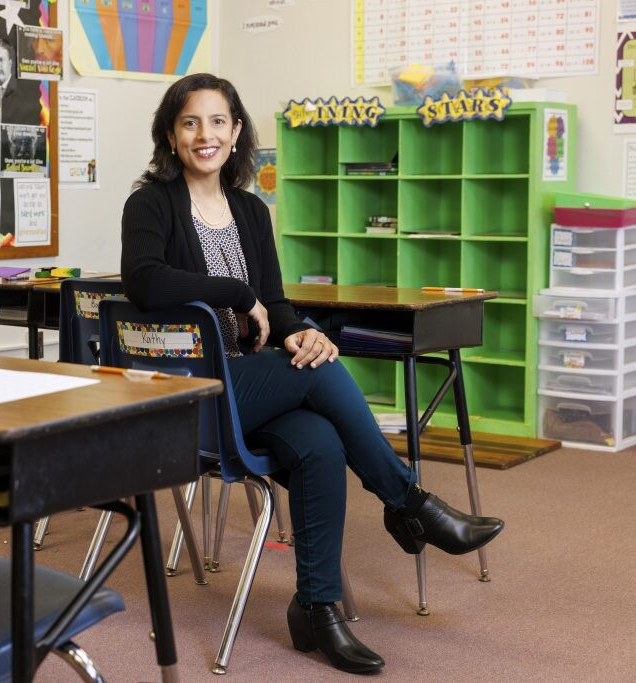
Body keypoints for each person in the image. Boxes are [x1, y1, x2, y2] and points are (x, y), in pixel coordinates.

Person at [120, 73, 505, 675]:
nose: (205, 134)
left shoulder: (249, 208)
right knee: (319, 377)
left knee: (320, 439)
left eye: (218, 121)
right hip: (188, 394)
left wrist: (300, 328)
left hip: (245, 388)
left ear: (237, 131)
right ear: (171, 133)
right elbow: (143, 281)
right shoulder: (150, 203)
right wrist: (236, 291)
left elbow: (272, 303)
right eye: (190, 122)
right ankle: (408, 501)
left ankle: (317, 608)